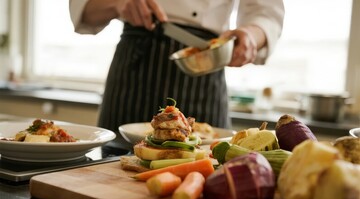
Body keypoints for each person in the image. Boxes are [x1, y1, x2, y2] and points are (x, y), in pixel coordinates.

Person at [69, 0, 284, 138]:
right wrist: (118, 3)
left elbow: (266, 13)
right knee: (112, 164)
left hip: (205, 63)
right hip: (136, 62)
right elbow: (82, 8)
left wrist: (250, 35)